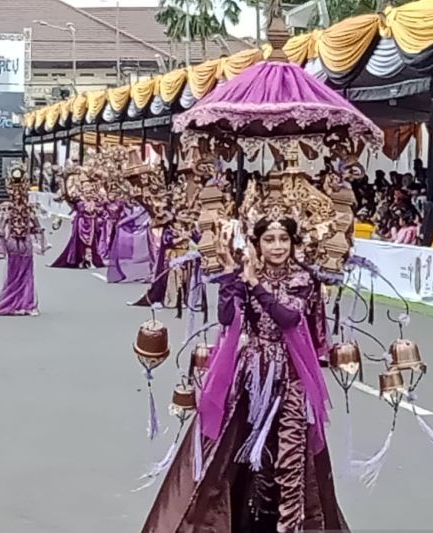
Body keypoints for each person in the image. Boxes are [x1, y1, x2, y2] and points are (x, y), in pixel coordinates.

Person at [142, 215, 345, 533]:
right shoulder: (248, 273)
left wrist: (254, 283)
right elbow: (227, 317)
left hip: (290, 380)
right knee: (229, 455)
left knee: (291, 458)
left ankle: (290, 525)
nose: (277, 246)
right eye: (269, 239)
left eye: (283, 240)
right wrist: (229, 279)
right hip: (250, 375)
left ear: (292, 244)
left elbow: (288, 317)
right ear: (257, 244)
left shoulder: (303, 279)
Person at [0, 163, 48, 316]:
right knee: (19, 272)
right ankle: (22, 303)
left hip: (21, 241)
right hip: (17, 242)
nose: (19, 194)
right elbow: (3, 228)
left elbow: (34, 227)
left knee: (24, 272)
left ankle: (26, 303)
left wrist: (38, 237)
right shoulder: (16, 209)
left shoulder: (22, 208)